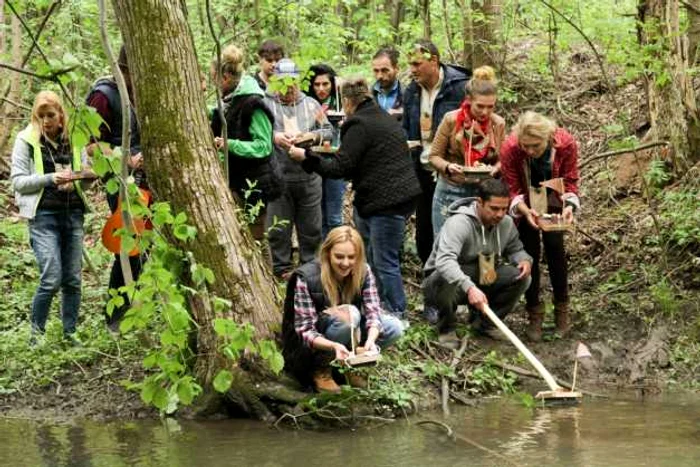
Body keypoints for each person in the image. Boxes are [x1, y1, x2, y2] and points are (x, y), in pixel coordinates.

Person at [289, 77, 421, 319]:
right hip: (387, 197)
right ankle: (376, 306)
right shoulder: (382, 117)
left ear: (348, 102)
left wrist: (306, 157)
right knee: (370, 257)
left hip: (386, 200)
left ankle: (397, 314)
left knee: (384, 261)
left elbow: (341, 168)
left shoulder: (359, 124)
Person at [11, 91, 93, 345]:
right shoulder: (26, 140)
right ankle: (37, 335)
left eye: (51, 115)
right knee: (51, 277)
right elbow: (18, 181)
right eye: (41, 115)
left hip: (73, 214)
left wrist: (78, 180)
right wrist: (50, 179)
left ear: (61, 116)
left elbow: (85, 174)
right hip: (43, 216)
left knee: (72, 278)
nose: (46, 121)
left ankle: (70, 333)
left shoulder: (75, 139)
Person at [281, 226, 404, 393]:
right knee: (350, 316)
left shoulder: (364, 271)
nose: (345, 263)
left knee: (394, 327)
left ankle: (352, 365)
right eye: (339, 257)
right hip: (309, 348)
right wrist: (333, 346)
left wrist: (370, 341)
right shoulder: (306, 278)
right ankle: (321, 369)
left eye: (351, 257)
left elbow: (373, 313)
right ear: (327, 253)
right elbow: (305, 331)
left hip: (349, 331)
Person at [500, 111, 580, 341]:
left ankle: (562, 309)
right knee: (528, 254)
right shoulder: (511, 148)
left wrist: (569, 206)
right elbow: (511, 186)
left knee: (556, 249)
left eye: (535, 146)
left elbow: (571, 180)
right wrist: (524, 210)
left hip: (554, 197)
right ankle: (534, 311)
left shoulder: (565, 144)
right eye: (526, 146)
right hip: (527, 200)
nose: (530, 151)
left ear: (548, 137)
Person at [422, 179, 532, 343]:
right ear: (479, 202)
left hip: (484, 273)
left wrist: (523, 260)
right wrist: (470, 288)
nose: (500, 214)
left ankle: (485, 324)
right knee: (446, 276)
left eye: (504, 209)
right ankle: (446, 328)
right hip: (443, 283)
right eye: (494, 208)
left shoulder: (506, 223)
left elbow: (515, 248)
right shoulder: (459, 223)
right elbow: (444, 261)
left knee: (521, 278)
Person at [85, 45, 145, 331]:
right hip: (120, 182)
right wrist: (127, 160)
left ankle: (134, 310)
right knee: (128, 246)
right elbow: (93, 148)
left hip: (145, 181)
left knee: (144, 247)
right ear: (123, 69)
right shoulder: (103, 96)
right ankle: (116, 318)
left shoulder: (140, 93)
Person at [402, 40, 470, 266]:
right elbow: (408, 127)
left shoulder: (459, 86)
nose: (412, 70)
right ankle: (431, 280)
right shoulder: (411, 90)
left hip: (452, 170)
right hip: (421, 168)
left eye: (417, 64)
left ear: (434, 61)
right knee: (424, 230)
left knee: (453, 227)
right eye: (410, 64)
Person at [263, 58, 332, 278]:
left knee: (311, 227)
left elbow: (329, 131)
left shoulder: (311, 104)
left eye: (292, 81)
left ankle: (308, 269)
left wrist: (310, 136)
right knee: (278, 228)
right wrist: (275, 137)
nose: (288, 87)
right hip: (278, 178)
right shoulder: (266, 105)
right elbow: (255, 134)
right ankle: (281, 269)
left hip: (308, 177)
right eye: (283, 82)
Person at [210, 44, 283, 240]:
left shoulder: (253, 104)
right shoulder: (228, 101)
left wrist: (229, 144)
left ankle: (265, 272)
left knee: (256, 240)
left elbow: (263, 146)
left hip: (256, 184)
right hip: (237, 182)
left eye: (213, 76)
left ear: (224, 77)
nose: (211, 82)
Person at [429, 65, 506, 236]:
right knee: (445, 242)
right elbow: (434, 156)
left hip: (482, 192)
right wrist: (448, 167)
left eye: (490, 107)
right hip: (450, 189)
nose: (485, 112)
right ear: (469, 100)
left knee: (477, 243)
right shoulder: (451, 119)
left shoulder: (498, 124)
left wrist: (495, 168)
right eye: (480, 106)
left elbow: (502, 158)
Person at [308, 63, 347, 238]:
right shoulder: (307, 104)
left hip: (336, 161)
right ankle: (324, 253)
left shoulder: (341, 101)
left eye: (325, 84)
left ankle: (338, 247)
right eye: (317, 85)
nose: (321, 89)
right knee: (319, 214)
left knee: (334, 215)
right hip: (314, 161)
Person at [371, 46, 403, 116]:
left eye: (385, 70)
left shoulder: (407, 94)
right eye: (376, 71)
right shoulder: (368, 96)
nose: (380, 76)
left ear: (396, 68)